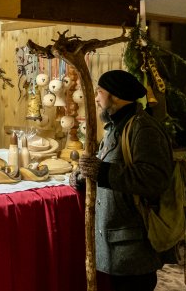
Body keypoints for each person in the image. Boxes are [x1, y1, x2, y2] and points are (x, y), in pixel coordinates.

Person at [77, 70, 174, 291]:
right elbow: (104, 168)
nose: (96, 98)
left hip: (133, 247)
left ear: (116, 96)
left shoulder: (143, 128)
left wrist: (102, 172)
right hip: (116, 245)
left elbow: (154, 179)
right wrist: (83, 176)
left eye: (100, 92)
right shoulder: (115, 128)